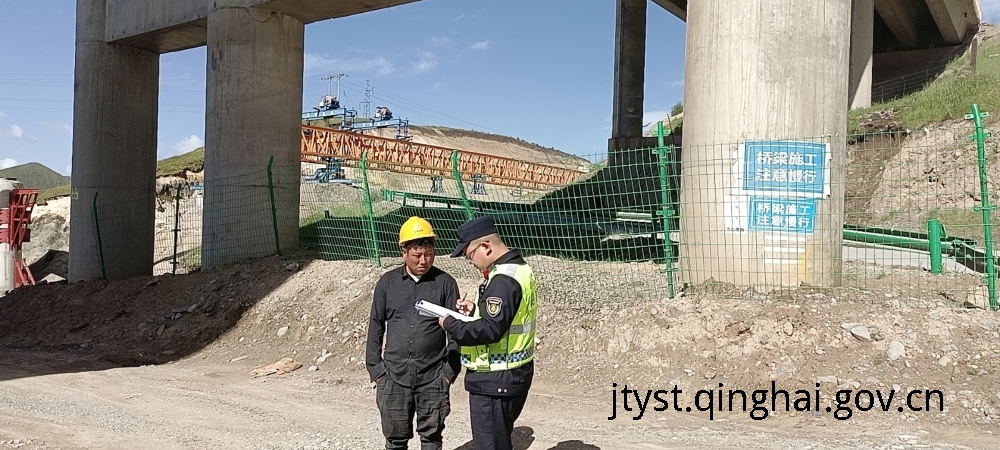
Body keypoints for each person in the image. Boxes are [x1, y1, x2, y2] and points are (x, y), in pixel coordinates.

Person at [438, 216, 538, 450]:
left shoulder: (502, 280)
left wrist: (450, 324)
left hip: (494, 380)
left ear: (486, 246)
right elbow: (507, 318)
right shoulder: (520, 270)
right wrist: (475, 310)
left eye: (469, 255)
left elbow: (490, 330)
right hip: (513, 374)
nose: (470, 262)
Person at [366, 216, 463, 450]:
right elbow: (376, 325)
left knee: (432, 439)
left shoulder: (445, 284)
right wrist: (376, 370)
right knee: (395, 440)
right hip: (393, 378)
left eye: (428, 254)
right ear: (404, 252)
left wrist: (449, 372)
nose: (423, 261)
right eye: (417, 255)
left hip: (433, 377)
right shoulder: (387, 283)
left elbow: (456, 333)